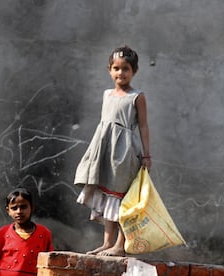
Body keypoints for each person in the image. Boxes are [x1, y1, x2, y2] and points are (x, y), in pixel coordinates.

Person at [74, 45, 152, 257]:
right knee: (107, 194)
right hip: (104, 149)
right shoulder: (107, 94)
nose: (121, 73)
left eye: (126, 68)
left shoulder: (137, 96)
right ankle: (107, 242)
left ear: (134, 71)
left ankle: (120, 245)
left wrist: (146, 154)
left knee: (120, 197)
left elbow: (143, 126)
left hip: (124, 152)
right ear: (109, 70)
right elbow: (104, 125)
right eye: (116, 68)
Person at [0, 187, 54, 276]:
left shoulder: (44, 233)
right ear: (8, 211)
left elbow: (50, 263)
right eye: (14, 208)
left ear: (32, 207)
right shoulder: (3, 233)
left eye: (23, 207)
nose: (19, 211)